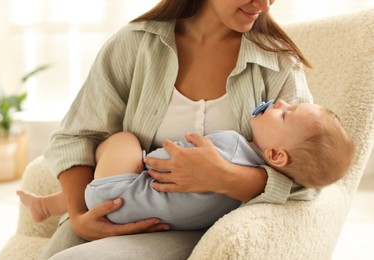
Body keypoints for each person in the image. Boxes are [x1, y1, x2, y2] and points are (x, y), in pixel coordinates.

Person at [38, 0, 324, 258]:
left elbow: (308, 172)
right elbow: (78, 136)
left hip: (205, 229)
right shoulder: (135, 44)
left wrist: (226, 178)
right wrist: (78, 215)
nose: (264, 5)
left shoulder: (278, 62)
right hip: (112, 206)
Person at [17, 100, 355, 231]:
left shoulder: (230, 145)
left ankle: (55, 199)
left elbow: (160, 163)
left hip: (121, 194)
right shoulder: (250, 195)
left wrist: (148, 157)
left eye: (285, 113)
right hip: (147, 217)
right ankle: (46, 206)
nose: (279, 101)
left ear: (278, 156)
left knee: (124, 141)